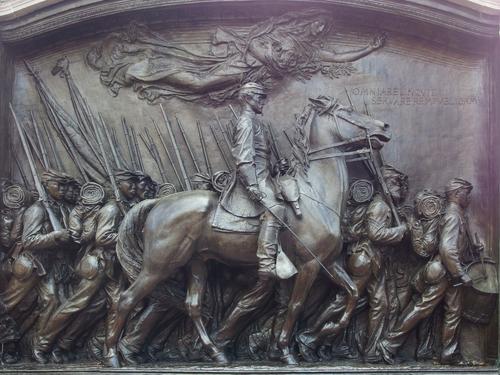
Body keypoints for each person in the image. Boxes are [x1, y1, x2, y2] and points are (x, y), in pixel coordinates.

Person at [87, 9, 385, 105]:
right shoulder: (282, 35)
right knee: (197, 84)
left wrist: (368, 48)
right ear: (306, 23)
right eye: (316, 24)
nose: (318, 30)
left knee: (199, 84)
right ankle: (148, 68)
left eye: (322, 29)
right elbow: (255, 45)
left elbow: (337, 56)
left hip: (253, 81)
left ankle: (152, 68)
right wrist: (273, 63)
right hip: (243, 68)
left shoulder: (310, 50)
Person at [297, 166, 408, 363]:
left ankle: (367, 350)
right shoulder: (379, 206)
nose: (399, 187)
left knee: (378, 304)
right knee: (345, 300)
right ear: (385, 185)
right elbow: (376, 234)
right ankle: (310, 336)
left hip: (373, 261)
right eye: (395, 183)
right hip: (364, 260)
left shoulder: (386, 206)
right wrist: (400, 231)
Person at [379, 178, 476, 365]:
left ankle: (448, 353)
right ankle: (388, 344)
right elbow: (447, 249)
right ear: (456, 194)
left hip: (448, 273)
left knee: (452, 312)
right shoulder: (452, 216)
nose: (468, 198)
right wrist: (460, 273)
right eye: (466, 193)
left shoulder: (455, 214)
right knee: (422, 309)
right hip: (444, 272)